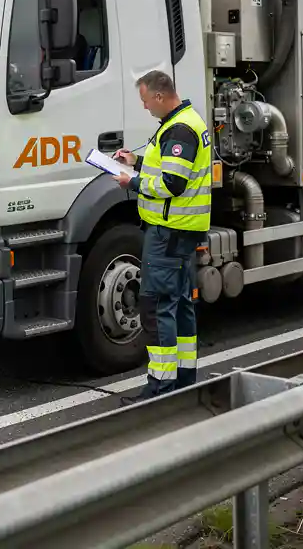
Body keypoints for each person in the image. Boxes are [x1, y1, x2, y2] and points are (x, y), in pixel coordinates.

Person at [112, 70, 212, 399]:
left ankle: (160, 385)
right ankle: (184, 378)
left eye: (144, 101)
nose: (144, 108)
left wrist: (132, 182)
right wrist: (136, 161)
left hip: (168, 232)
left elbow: (172, 184)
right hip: (181, 231)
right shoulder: (183, 122)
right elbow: (168, 168)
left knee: (156, 307)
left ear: (158, 96)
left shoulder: (179, 129)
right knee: (180, 304)